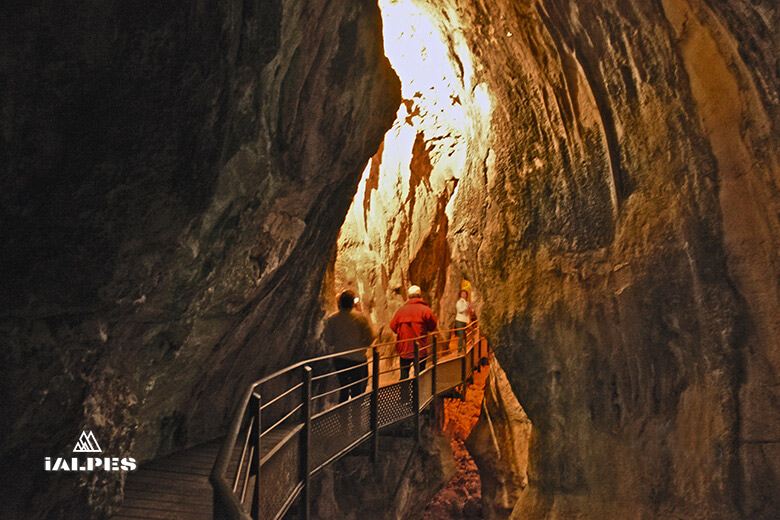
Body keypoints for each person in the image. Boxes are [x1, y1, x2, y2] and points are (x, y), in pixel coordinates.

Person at [322, 290, 374, 403]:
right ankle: (356, 416)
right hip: (357, 359)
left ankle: (343, 416)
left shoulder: (333, 319)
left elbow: (328, 340)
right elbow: (369, 338)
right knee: (357, 390)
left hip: (340, 359)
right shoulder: (361, 318)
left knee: (343, 388)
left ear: (339, 303)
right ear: (352, 303)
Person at [390, 285, 438, 380]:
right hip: (420, 349)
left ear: (409, 296)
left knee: (404, 376)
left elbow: (393, 326)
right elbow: (432, 326)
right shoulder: (426, 310)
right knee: (420, 376)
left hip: (405, 348)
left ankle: (404, 394)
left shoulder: (401, 311)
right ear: (420, 296)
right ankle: (419, 394)